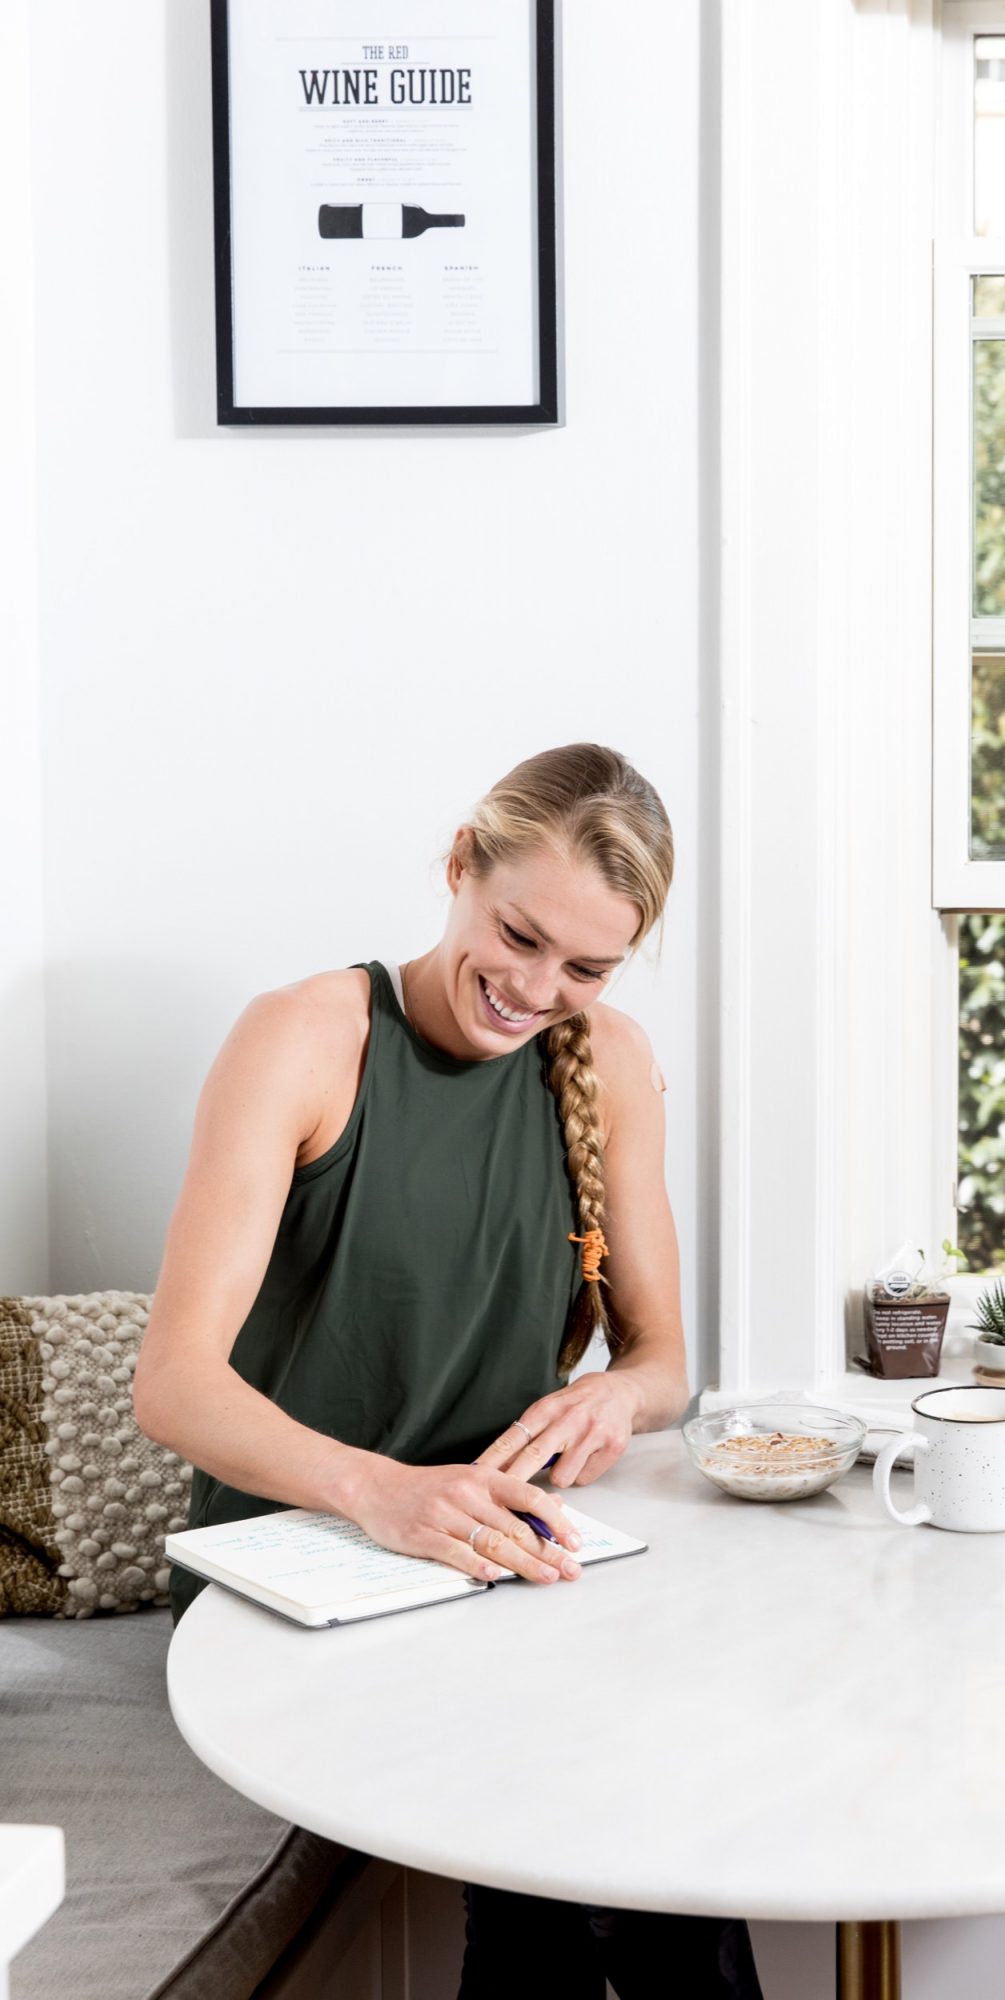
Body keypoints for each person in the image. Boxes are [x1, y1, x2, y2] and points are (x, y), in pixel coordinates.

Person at [134, 742, 765, 2000]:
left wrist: (609, 1396)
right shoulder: (305, 1038)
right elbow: (173, 1384)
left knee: (682, 1857)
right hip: (302, 1566)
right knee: (551, 1871)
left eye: (585, 966)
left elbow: (662, 1363)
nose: (536, 988)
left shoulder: (613, 1062)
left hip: (498, 1557)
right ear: (459, 866)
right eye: (518, 934)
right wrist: (384, 1494)